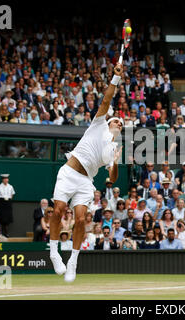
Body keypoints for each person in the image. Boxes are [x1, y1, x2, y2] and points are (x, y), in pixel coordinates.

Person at [49, 62, 124, 282]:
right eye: (116, 120)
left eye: (121, 123)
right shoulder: (98, 124)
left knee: (81, 220)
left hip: (85, 182)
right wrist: (115, 78)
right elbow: (107, 99)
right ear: (109, 122)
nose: (119, 123)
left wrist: (116, 162)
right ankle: (54, 253)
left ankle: (73, 261)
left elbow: (111, 178)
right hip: (69, 172)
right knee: (58, 210)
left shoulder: (112, 149)